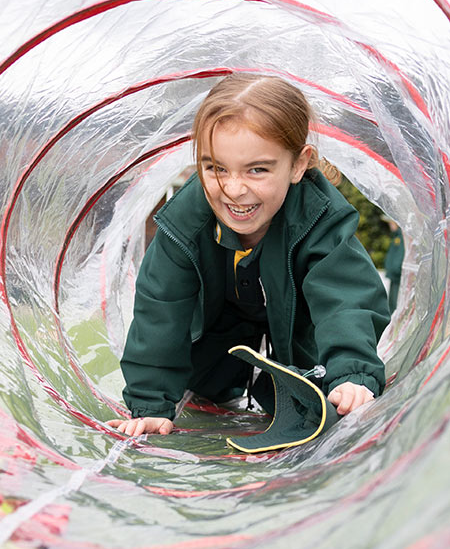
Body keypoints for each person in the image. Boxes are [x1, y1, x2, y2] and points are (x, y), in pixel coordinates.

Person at [107, 73, 390, 438]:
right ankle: (215, 384)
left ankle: (313, 379)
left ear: (299, 164)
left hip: (298, 316)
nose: (234, 189)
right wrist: (150, 406)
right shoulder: (185, 223)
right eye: (216, 168)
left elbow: (346, 298)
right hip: (218, 320)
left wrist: (353, 375)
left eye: (257, 169)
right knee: (207, 380)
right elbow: (160, 309)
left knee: (310, 390)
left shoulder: (319, 218)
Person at [384, 219, 405, 312]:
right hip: (393, 273)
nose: (390, 225)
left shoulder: (400, 238)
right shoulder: (396, 237)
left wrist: (396, 269)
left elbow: (400, 255)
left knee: (394, 300)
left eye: (391, 223)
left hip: (396, 274)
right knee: (391, 300)